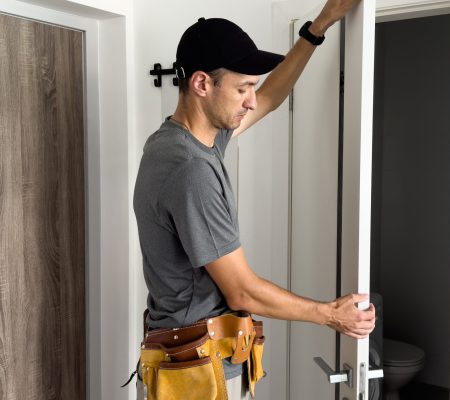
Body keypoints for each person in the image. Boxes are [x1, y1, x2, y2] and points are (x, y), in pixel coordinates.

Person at [133, 0, 374, 398]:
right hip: (200, 373)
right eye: (242, 87)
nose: (250, 99)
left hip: (197, 361)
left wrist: (322, 23)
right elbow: (241, 290)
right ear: (201, 84)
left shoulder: (179, 143)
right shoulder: (190, 170)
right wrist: (331, 315)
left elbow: (272, 96)